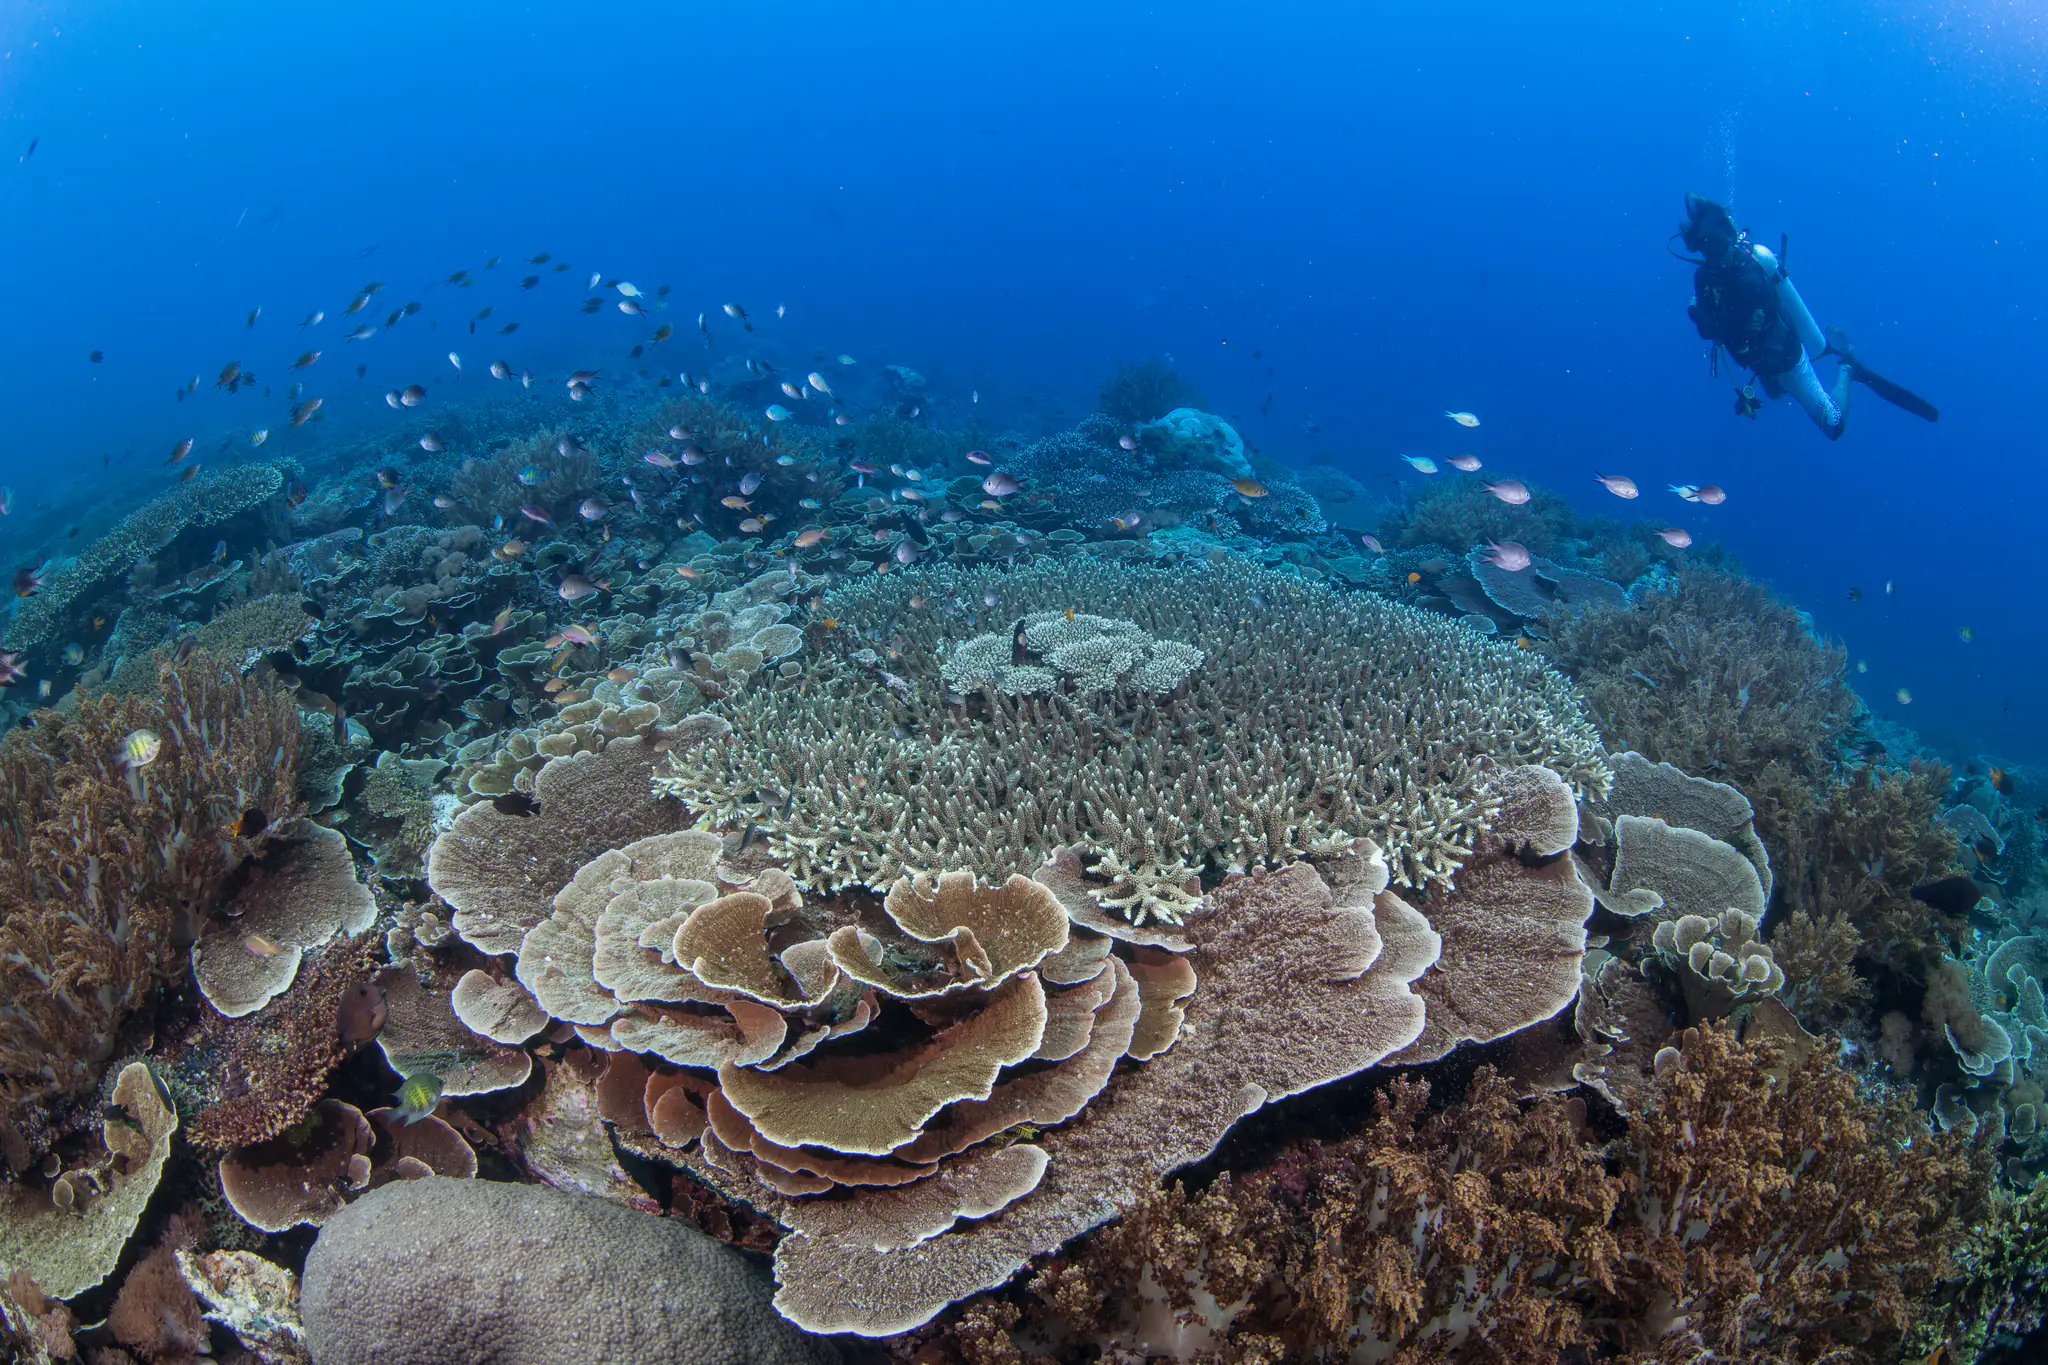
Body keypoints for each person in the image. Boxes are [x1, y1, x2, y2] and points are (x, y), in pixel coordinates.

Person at [1676, 195, 1937, 435]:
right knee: (1775, 392)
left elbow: (1735, 320)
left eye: (1719, 249)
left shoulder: (1751, 274)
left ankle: (1847, 369)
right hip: (1760, 362)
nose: (1718, 260)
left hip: (1787, 361)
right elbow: (1711, 328)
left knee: (1833, 426)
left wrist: (1701, 315)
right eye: (1709, 252)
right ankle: (1826, 350)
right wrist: (1705, 316)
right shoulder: (1706, 278)